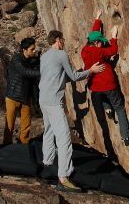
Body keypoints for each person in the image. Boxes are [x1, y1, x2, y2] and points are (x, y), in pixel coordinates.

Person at [39, 30, 104, 193]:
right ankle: (64, 177)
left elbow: (60, 77)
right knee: (64, 138)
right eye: (63, 39)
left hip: (43, 99)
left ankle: (47, 164)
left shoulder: (44, 56)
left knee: (48, 132)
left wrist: (82, 71)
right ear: (58, 40)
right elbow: (74, 77)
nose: (64, 42)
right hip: (54, 101)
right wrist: (91, 71)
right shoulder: (61, 54)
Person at [81, 11, 129, 147]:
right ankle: (126, 136)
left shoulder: (85, 50)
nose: (101, 43)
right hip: (108, 84)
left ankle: (107, 108)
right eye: (100, 42)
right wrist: (113, 37)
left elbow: (93, 34)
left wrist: (97, 19)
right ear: (96, 43)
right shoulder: (99, 51)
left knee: (103, 96)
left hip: (95, 87)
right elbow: (112, 51)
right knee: (119, 108)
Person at [3, 36, 40, 144]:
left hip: (26, 97)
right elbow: (24, 72)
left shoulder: (33, 60)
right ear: (24, 50)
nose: (34, 51)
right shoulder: (16, 59)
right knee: (9, 125)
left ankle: (24, 145)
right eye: (32, 49)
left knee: (26, 125)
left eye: (34, 48)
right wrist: (42, 71)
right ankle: (6, 146)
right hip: (13, 96)